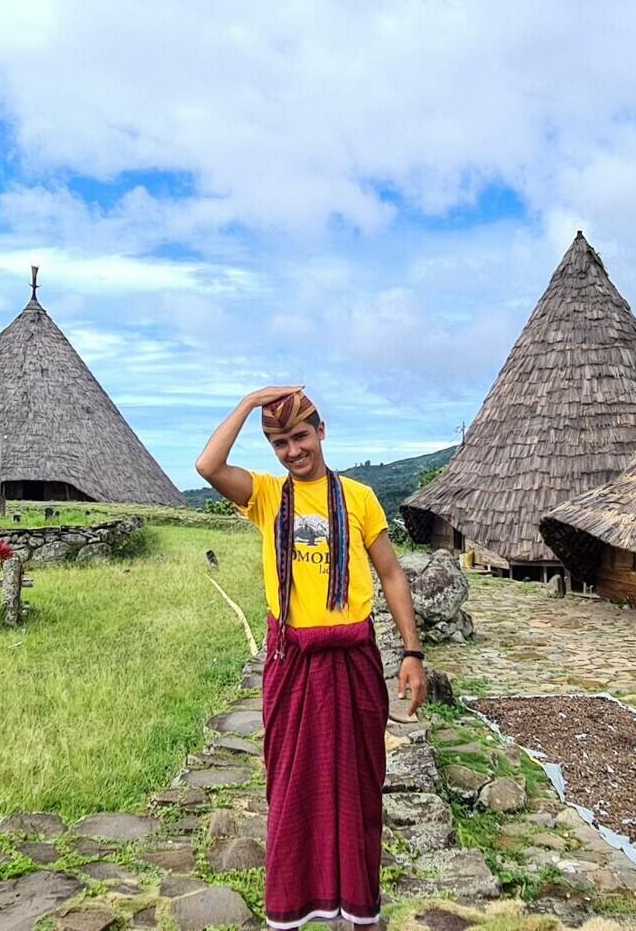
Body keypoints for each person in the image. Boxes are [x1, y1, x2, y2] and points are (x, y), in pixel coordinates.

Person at [196, 387, 427, 930]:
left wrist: (412, 651)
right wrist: (252, 402)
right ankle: (292, 912)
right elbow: (208, 465)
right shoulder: (267, 496)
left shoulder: (359, 499)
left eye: (299, 436)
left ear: (321, 432)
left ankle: (359, 911)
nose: (292, 451)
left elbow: (391, 574)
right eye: (279, 443)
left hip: (353, 661)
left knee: (359, 790)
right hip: (292, 662)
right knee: (292, 788)